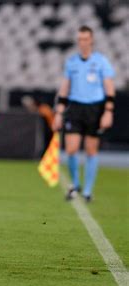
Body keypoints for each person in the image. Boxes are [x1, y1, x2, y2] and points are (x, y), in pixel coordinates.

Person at [52, 25, 116, 202]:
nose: (82, 42)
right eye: (80, 39)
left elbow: (109, 86)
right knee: (71, 149)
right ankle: (75, 184)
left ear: (92, 40)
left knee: (91, 150)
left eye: (86, 39)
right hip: (75, 108)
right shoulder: (72, 62)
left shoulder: (101, 61)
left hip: (95, 108)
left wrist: (108, 111)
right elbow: (65, 88)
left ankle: (87, 190)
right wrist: (58, 112)